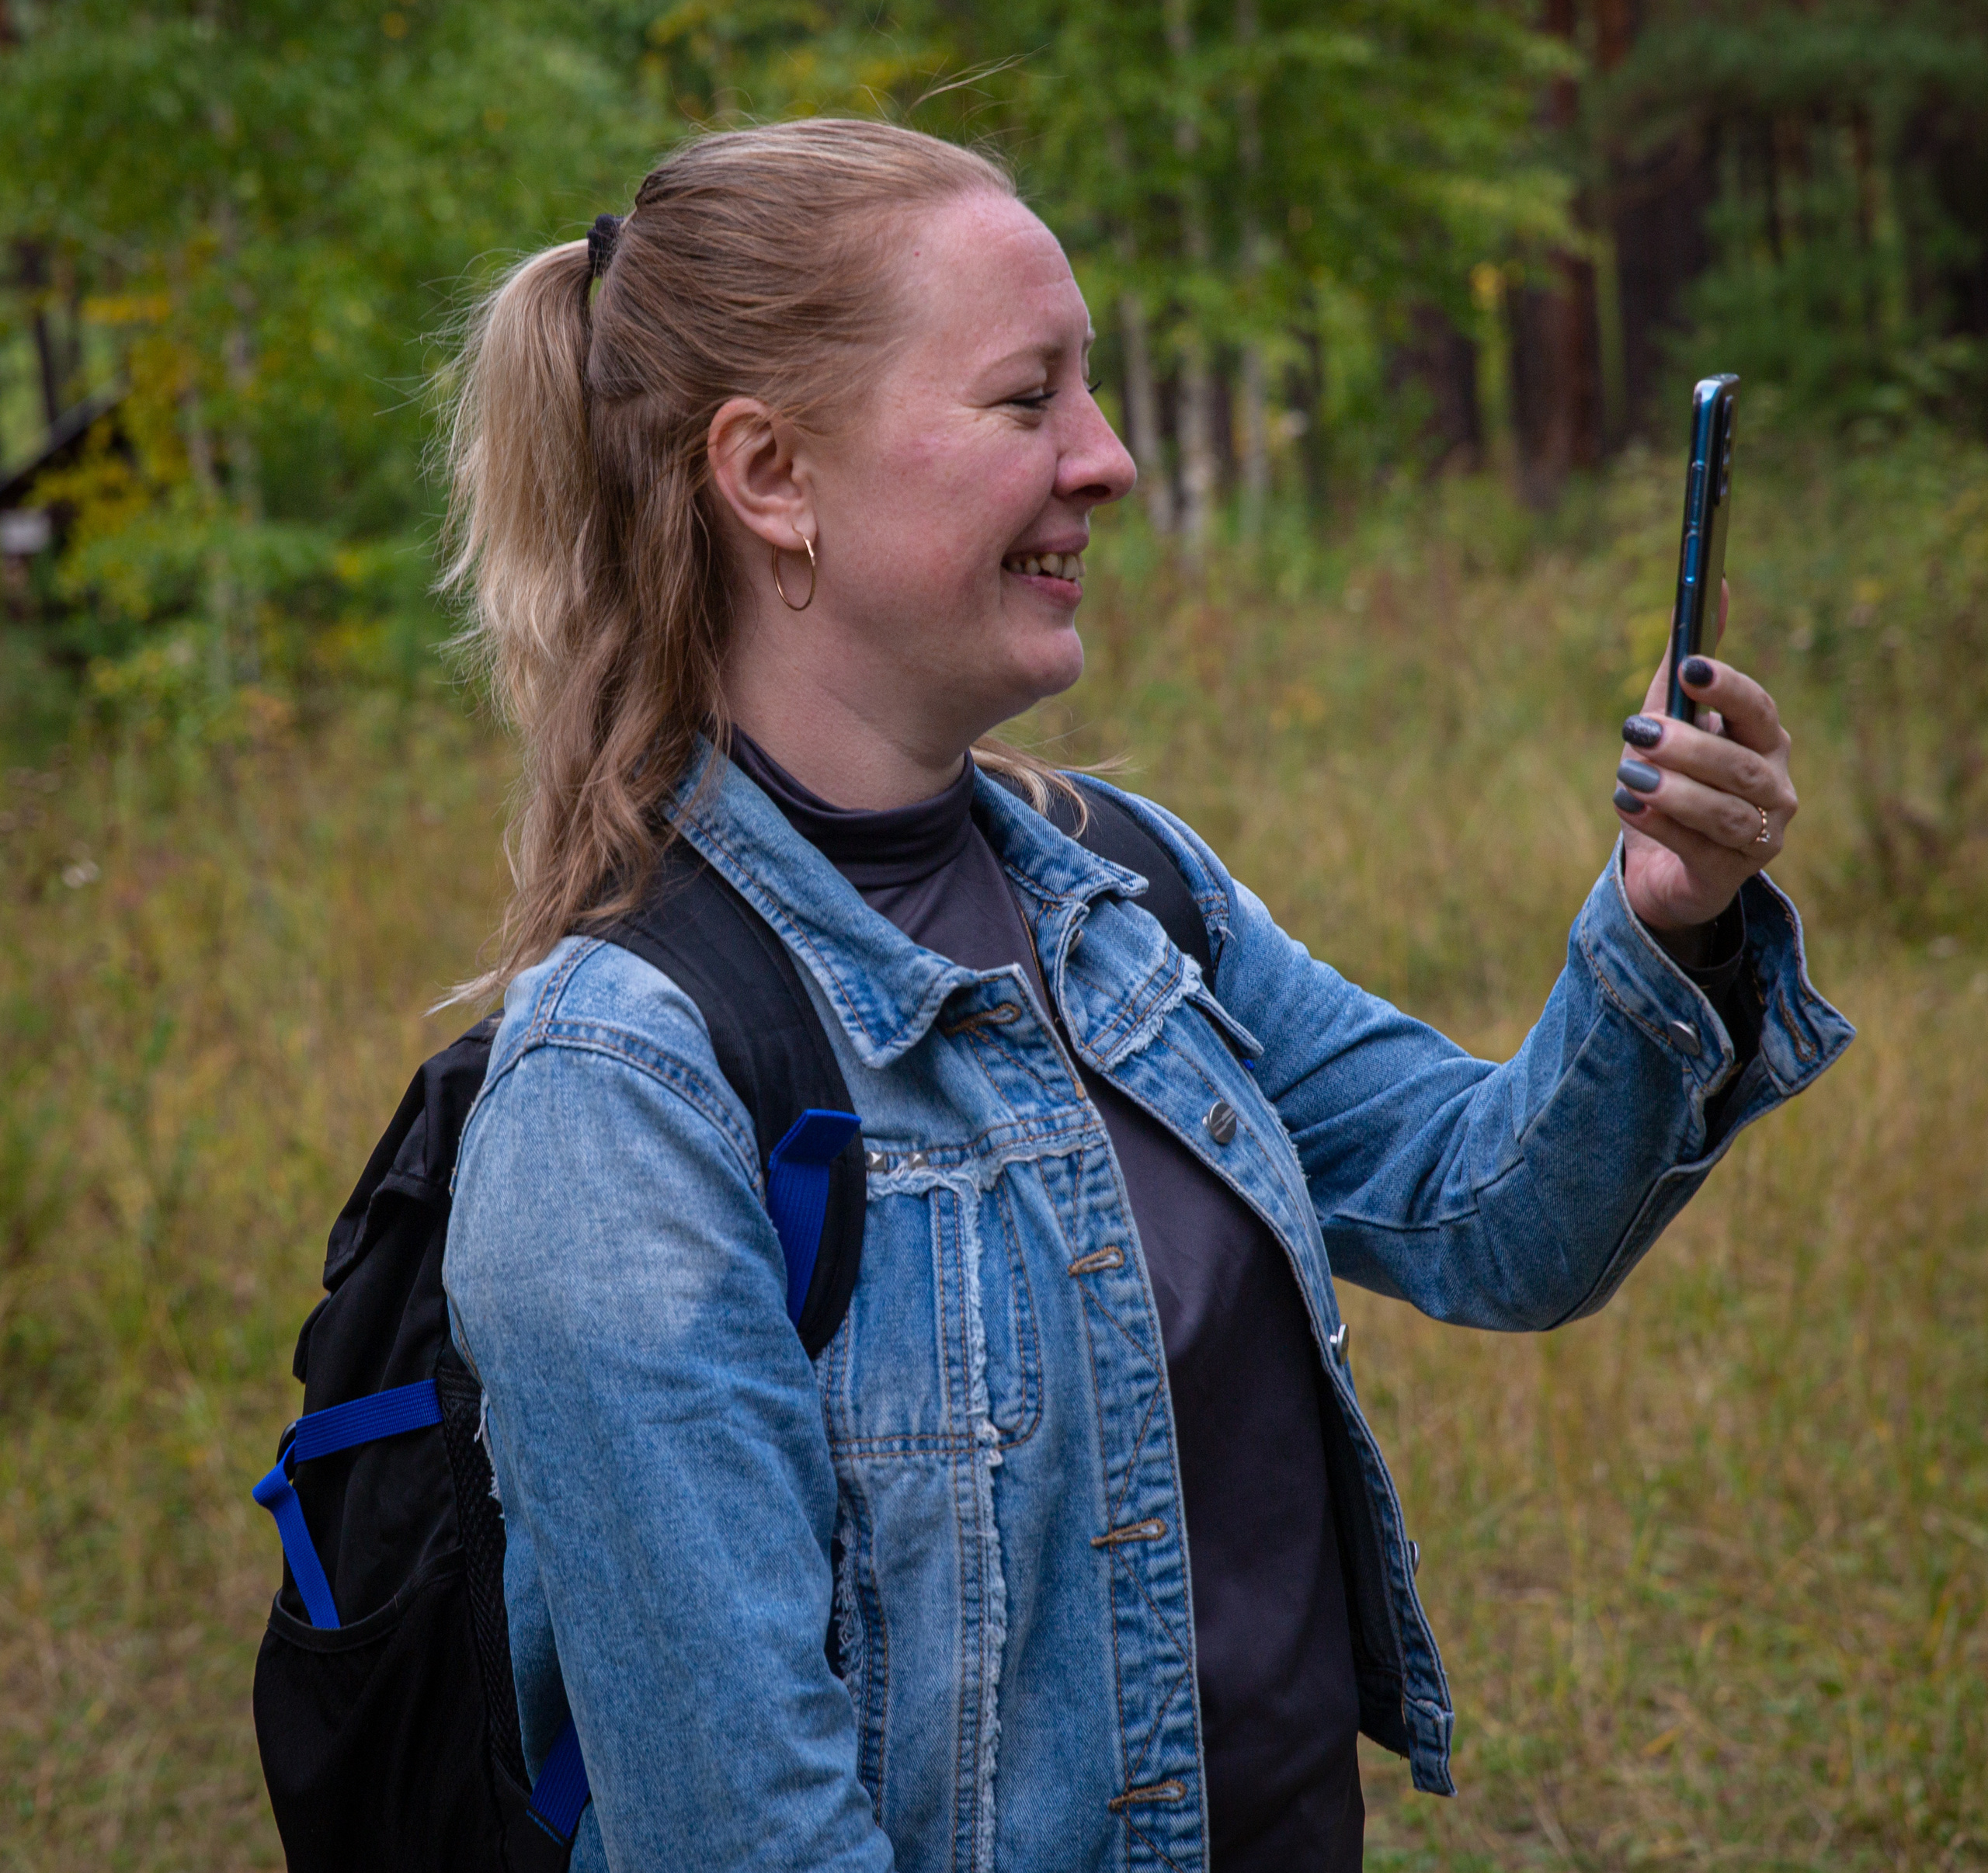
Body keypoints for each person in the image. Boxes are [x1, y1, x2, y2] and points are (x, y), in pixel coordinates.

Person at [439, 119, 1851, 1873]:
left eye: (1085, 395)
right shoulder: (623, 1094)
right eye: (1028, 401)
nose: (1104, 462)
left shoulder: (1122, 888)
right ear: (769, 476)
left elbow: (1491, 1215)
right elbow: (745, 1836)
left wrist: (1673, 918)